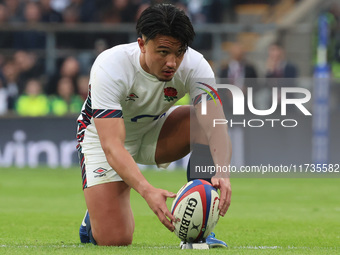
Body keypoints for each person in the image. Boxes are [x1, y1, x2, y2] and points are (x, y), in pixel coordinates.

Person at [76, 4, 232, 248]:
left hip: (154, 131)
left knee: (202, 124)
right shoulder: (110, 66)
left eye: (179, 52)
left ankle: (202, 229)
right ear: (141, 44)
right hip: (103, 140)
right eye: (163, 52)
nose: (172, 62)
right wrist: (147, 190)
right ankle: (94, 220)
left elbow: (216, 125)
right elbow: (112, 145)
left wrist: (221, 169)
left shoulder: (196, 65)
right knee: (115, 239)